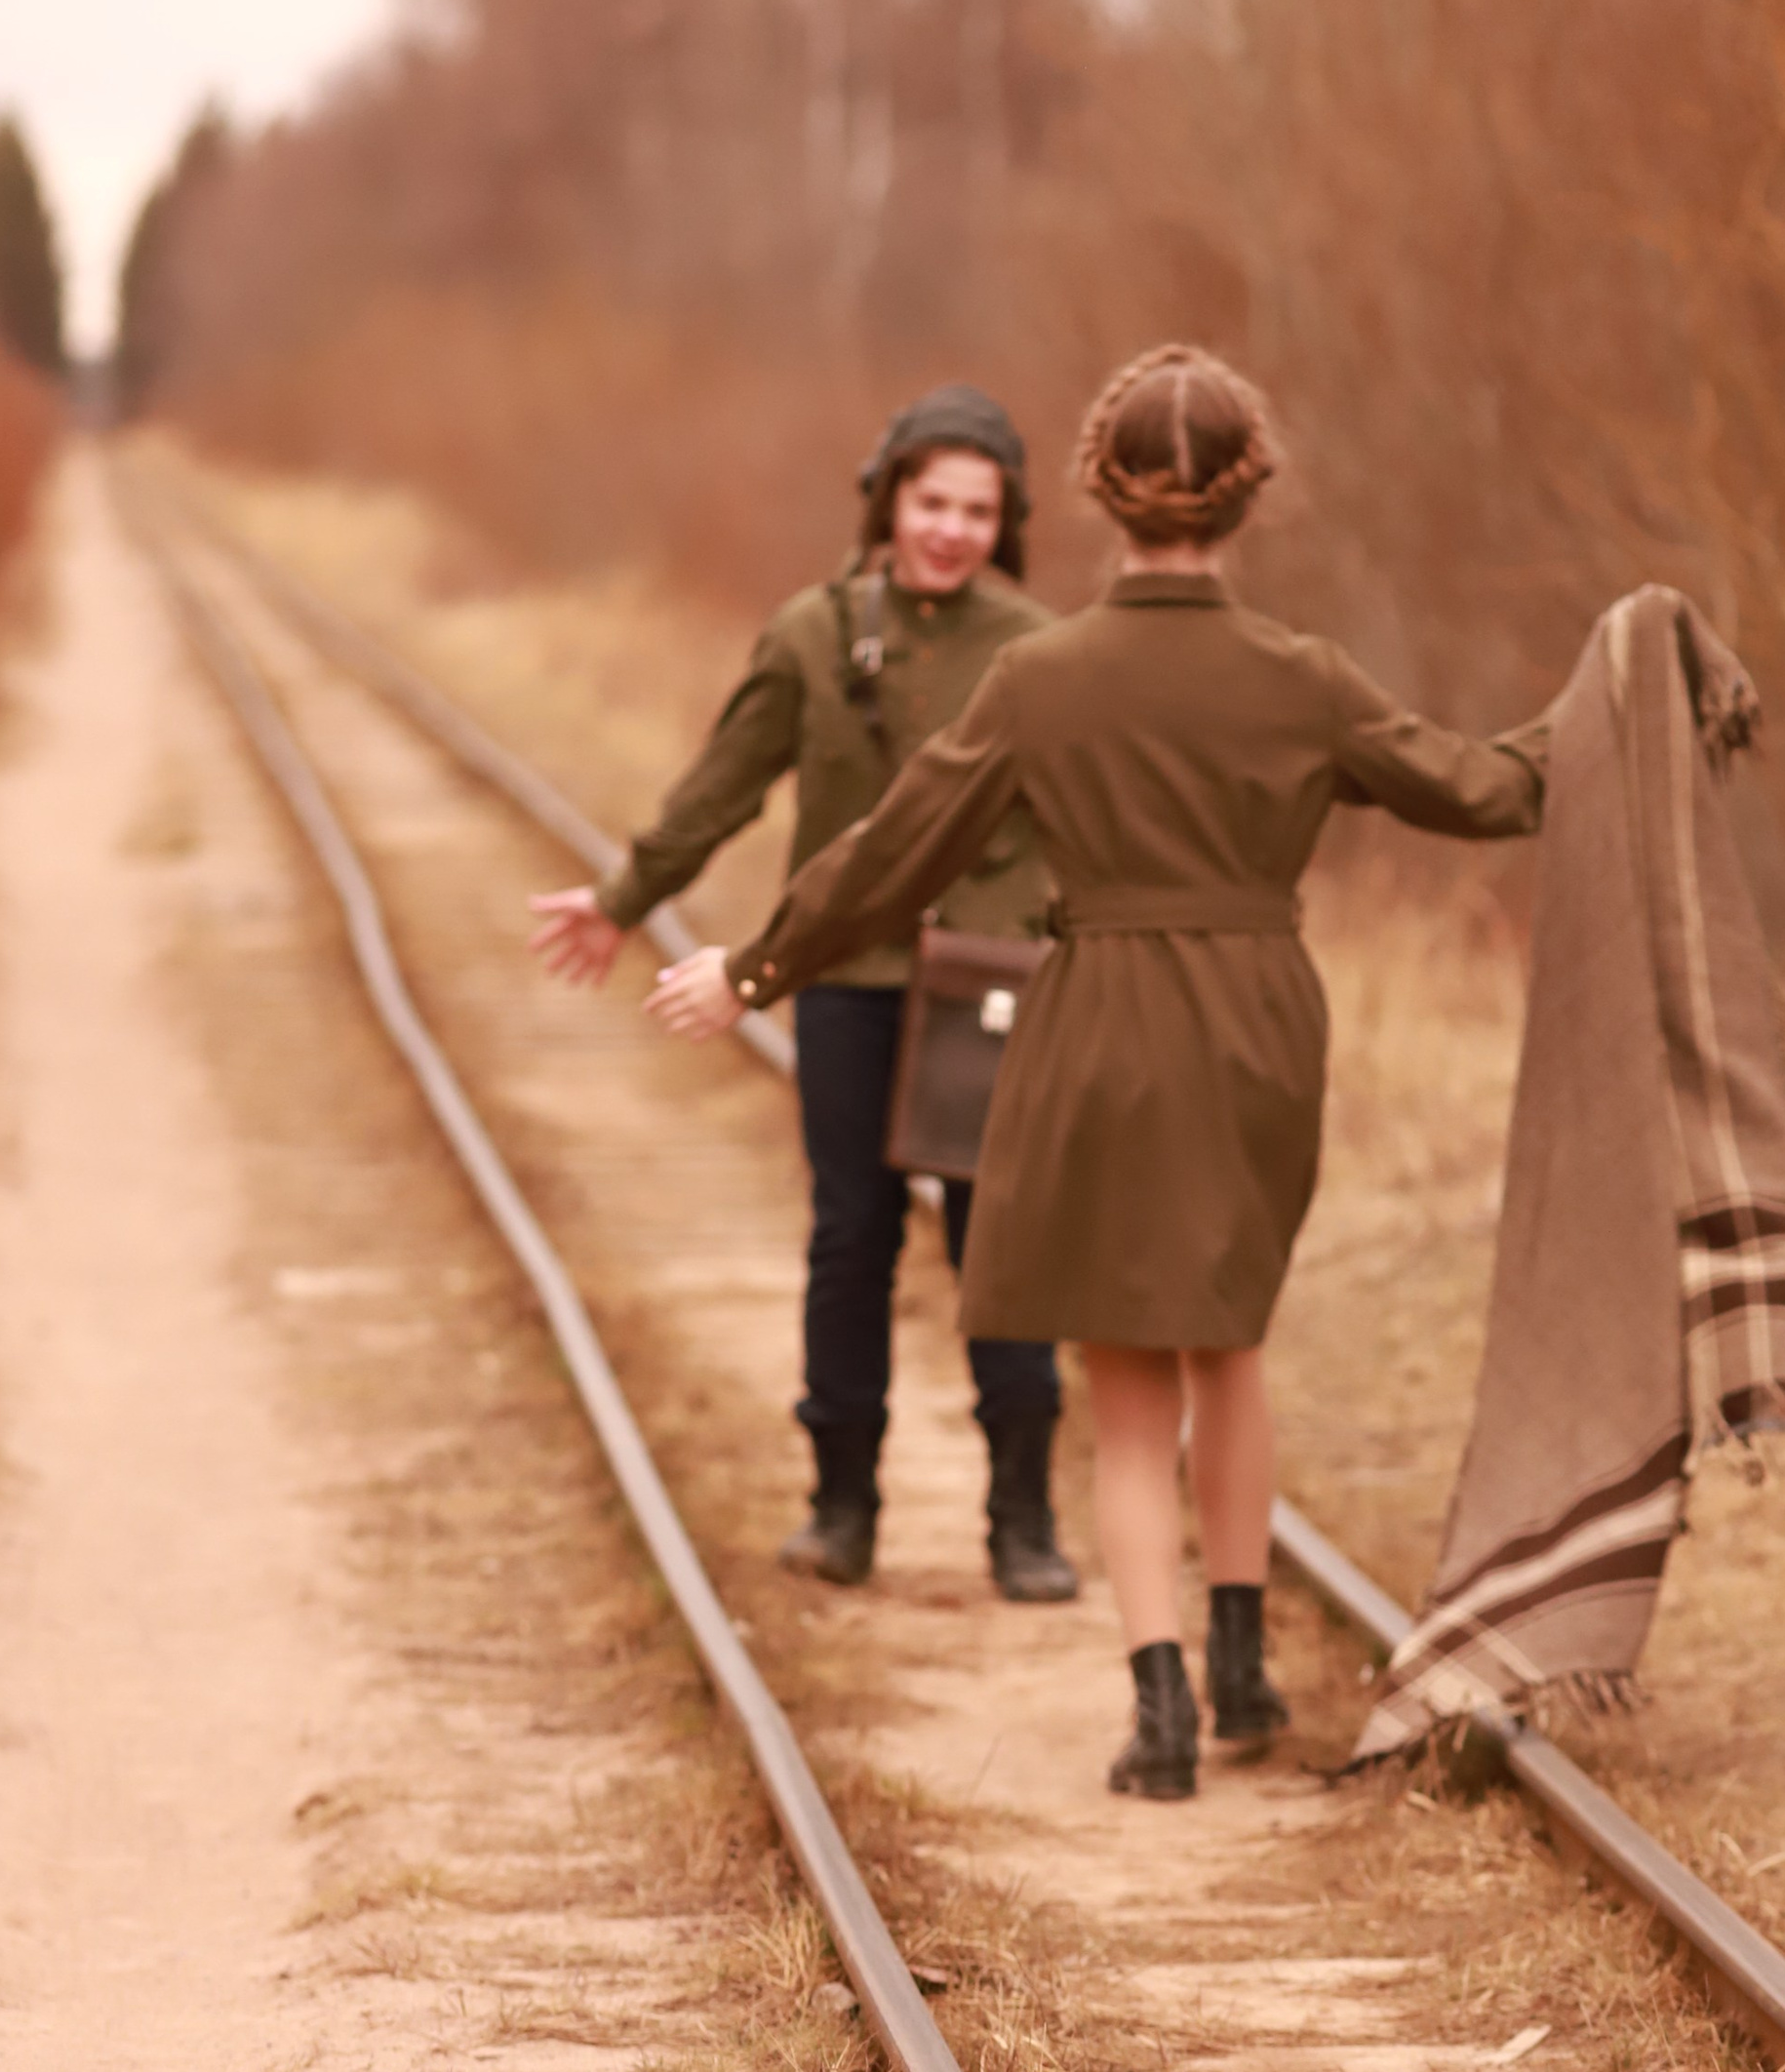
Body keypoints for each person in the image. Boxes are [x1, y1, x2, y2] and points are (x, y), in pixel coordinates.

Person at [647, 343, 1549, 1799]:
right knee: (1231, 1345)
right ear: (1245, 497)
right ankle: (1247, 1662)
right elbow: (1486, 787)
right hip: (1260, 1026)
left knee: (1128, 1384)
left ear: (1092, 494)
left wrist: (755, 967)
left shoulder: (1040, 679)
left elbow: (889, 860)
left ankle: (1165, 1710)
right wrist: (1618, 702)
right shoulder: (1301, 678)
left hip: (1102, 1026)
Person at [529, 384, 1076, 1603]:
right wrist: (622, 897)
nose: (949, 528)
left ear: (1007, 520)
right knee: (851, 1240)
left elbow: (1097, 817)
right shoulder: (812, 636)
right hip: (850, 984)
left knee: (1003, 1248)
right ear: (888, 496)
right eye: (931, 500)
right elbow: (723, 786)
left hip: (991, 987)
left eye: (977, 509)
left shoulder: (1039, 647)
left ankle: (1024, 1521)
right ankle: (841, 1508)